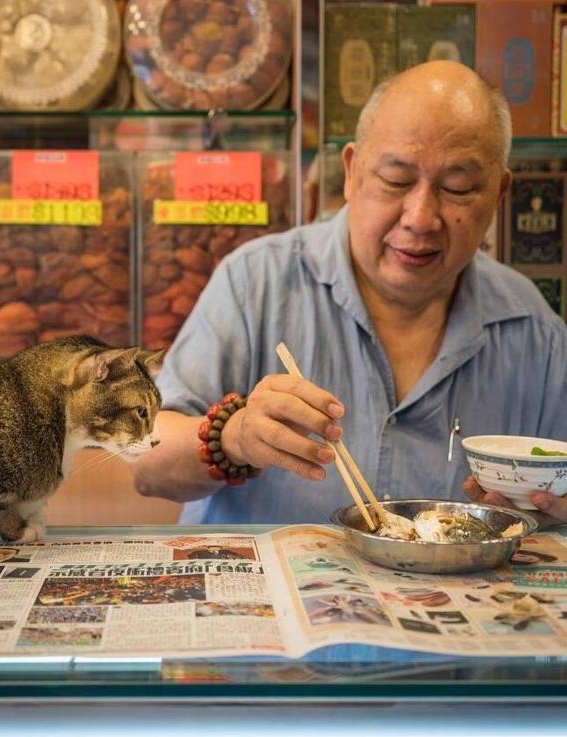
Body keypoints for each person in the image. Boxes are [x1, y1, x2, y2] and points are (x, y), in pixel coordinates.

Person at [132, 61, 567, 526]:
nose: (420, 218)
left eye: (457, 187)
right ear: (352, 171)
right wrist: (233, 438)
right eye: (396, 180)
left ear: (499, 195)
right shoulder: (255, 282)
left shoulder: (534, 333)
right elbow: (147, 463)